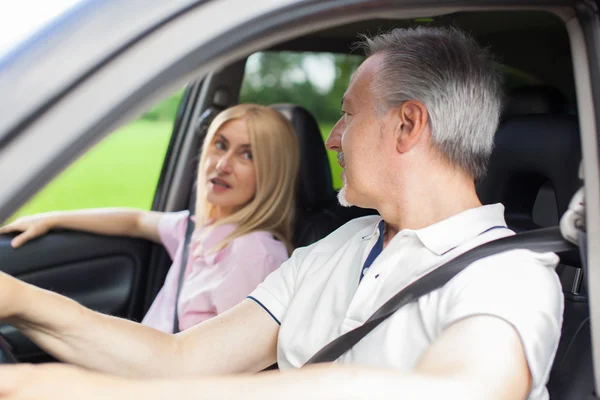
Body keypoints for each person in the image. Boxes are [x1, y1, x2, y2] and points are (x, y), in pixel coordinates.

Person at [0, 27, 562, 400]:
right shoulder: (336, 250)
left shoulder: (507, 277)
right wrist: (22, 302)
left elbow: (462, 389)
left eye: (347, 116)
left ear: (408, 125)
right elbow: (181, 358)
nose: (334, 139)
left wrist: (64, 390)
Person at [0, 103, 299, 334]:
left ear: (271, 173)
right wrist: (52, 219)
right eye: (220, 145)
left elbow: (230, 366)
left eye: (247, 155)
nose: (222, 164)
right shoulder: (195, 229)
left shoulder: (254, 254)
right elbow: (136, 221)